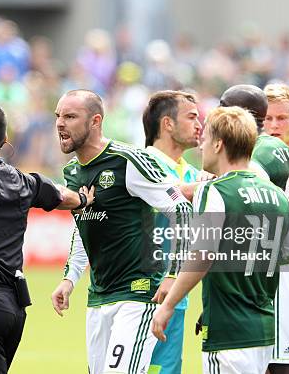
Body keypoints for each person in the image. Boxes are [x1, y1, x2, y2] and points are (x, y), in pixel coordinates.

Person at [151, 106, 289, 374]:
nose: (201, 147)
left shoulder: (215, 190)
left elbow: (202, 255)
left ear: (219, 144)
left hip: (228, 333)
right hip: (265, 333)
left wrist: (168, 305)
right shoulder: (279, 197)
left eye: (206, 139)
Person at [50, 89, 191, 374]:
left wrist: (174, 274)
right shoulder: (72, 171)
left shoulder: (128, 160)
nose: (60, 123)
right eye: (58, 116)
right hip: (99, 295)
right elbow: (84, 223)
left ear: (95, 121)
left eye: (70, 116)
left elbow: (181, 210)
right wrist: (70, 277)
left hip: (137, 294)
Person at [0, 103, 93, 374]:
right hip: (14, 306)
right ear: (5, 141)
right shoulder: (24, 181)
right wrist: (85, 198)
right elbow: (64, 196)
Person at [221, 84, 289, 373]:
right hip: (284, 266)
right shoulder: (283, 151)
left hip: (272, 274)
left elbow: (246, 198)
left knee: (280, 363)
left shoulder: (260, 153)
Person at [141, 90, 201, 374]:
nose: (199, 125)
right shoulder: (140, 167)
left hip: (177, 296)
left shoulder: (192, 173)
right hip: (140, 295)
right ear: (167, 124)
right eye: (191, 117)